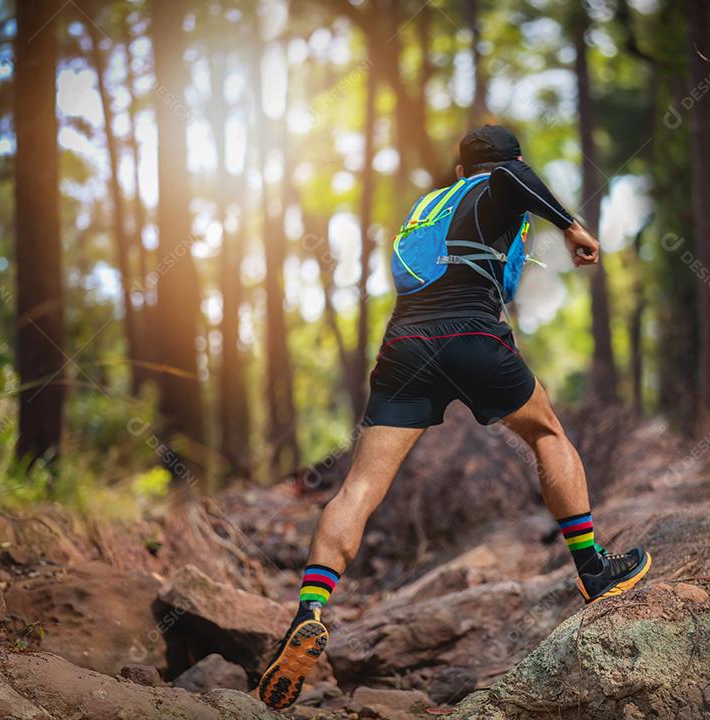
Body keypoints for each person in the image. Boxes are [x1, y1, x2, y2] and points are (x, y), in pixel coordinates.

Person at [257, 125, 651, 710]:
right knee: (548, 434)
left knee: (359, 487)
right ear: (505, 162)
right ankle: (594, 570)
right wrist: (570, 225)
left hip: (404, 345)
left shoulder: (429, 204)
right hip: (469, 331)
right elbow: (512, 179)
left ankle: (310, 611)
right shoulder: (499, 182)